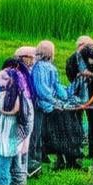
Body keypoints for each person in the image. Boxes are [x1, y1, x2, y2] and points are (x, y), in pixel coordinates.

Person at [32, 39, 83, 171]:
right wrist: (60, 100)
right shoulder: (46, 68)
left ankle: (53, 158)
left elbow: (50, 88)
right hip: (45, 106)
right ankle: (58, 158)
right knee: (52, 133)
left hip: (46, 105)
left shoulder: (38, 67)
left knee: (48, 134)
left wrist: (63, 98)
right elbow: (46, 89)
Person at [0, 68, 34, 185]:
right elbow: (28, 121)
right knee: (17, 163)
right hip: (16, 139)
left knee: (1, 165)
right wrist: (23, 136)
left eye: (3, 78)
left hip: (1, 139)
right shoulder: (24, 99)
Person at [65, 35, 93, 159]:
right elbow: (70, 74)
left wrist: (88, 69)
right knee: (79, 125)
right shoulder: (74, 59)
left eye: (92, 47)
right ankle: (78, 150)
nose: (91, 49)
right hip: (80, 99)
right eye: (89, 47)